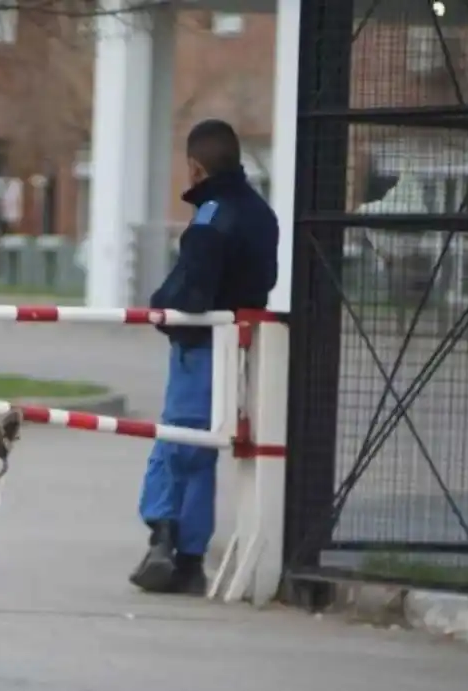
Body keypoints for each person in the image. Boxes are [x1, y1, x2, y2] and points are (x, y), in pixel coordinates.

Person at [129, 119, 278, 595]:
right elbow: (266, 280)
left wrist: (162, 311)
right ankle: (190, 561)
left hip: (201, 346)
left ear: (195, 168)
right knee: (202, 451)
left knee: (174, 443)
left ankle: (162, 539)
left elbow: (191, 292)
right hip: (243, 346)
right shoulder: (262, 214)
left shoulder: (211, 218)